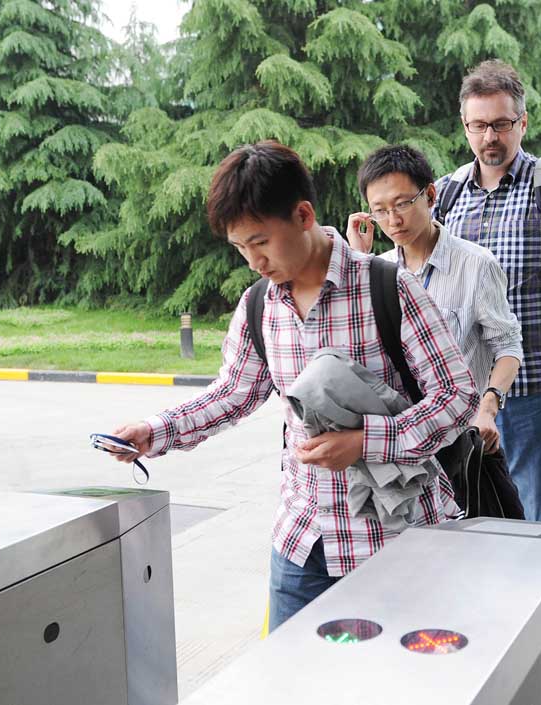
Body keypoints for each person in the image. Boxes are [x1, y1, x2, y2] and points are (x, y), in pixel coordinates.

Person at [109, 140, 479, 631]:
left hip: (396, 535)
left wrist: (366, 442)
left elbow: (457, 397)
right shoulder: (258, 305)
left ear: (303, 215)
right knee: (292, 687)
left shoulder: (386, 287)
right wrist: (155, 431)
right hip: (303, 542)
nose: (253, 261)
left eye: (260, 242)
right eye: (240, 247)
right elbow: (232, 394)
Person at [432, 59, 541, 524]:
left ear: (523, 123)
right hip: (465, 395)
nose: (491, 136)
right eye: (479, 125)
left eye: (502, 124)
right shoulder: (447, 194)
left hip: (536, 391)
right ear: (465, 127)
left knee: (540, 523)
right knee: (470, 521)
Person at [346, 144, 524, 457]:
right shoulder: (378, 271)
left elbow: (508, 346)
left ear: (430, 195)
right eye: (380, 210)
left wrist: (488, 408)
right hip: (397, 443)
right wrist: (359, 259)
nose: (393, 220)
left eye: (402, 204)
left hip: (459, 441)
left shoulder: (475, 265)